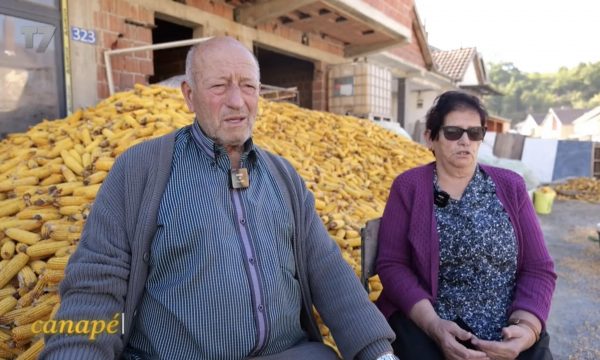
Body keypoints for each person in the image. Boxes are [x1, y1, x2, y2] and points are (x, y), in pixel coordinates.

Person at [40, 37, 398, 360]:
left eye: (247, 86)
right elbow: (96, 284)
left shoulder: (283, 176)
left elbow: (328, 269)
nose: (237, 102)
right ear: (189, 95)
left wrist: (377, 353)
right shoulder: (141, 169)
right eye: (218, 86)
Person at [376, 91, 557, 360]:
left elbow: (539, 268)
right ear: (431, 138)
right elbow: (392, 265)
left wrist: (527, 328)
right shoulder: (409, 186)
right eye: (452, 132)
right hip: (435, 321)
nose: (465, 141)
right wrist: (433, 325)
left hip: (506, 323)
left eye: (474, 132)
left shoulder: (511, 186)